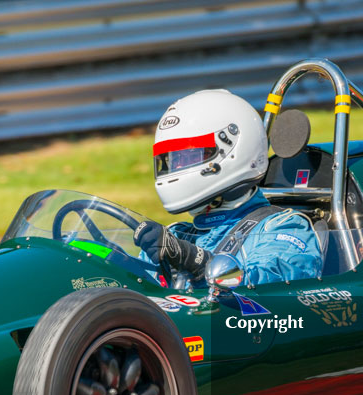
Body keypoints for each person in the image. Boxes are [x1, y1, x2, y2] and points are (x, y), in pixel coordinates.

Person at [135, 89, 323, 288]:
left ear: (233, 150)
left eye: (188, 157)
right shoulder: (177, 236)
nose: (178, 167)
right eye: (172, 160)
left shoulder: (281, 227)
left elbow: (274, 284)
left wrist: (195, 262)